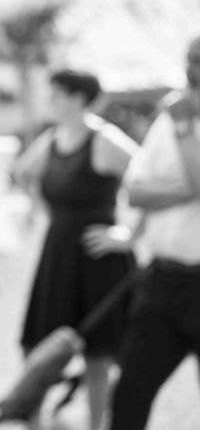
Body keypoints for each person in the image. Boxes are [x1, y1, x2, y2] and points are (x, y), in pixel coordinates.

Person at [13, 69, 139, 430]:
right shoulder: (52, 139)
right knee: (37, 345)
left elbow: (148, 177)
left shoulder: (104, 138)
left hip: (99, 258)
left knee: (99, 353)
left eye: (58, 94)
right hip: (58, 255)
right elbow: (22, 172)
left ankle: (97, 424)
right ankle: (34, 422)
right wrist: (42, 209)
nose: (50, 100)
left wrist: (127, 232)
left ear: (79, 98)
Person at [109, 37, 200, 430]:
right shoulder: (171, 116)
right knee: (129, 395)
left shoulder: (177, 117)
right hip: (164, 280)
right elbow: (136, 190)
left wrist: (184, 127)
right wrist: (186, 190)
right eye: (191, 58)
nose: (193, 67)